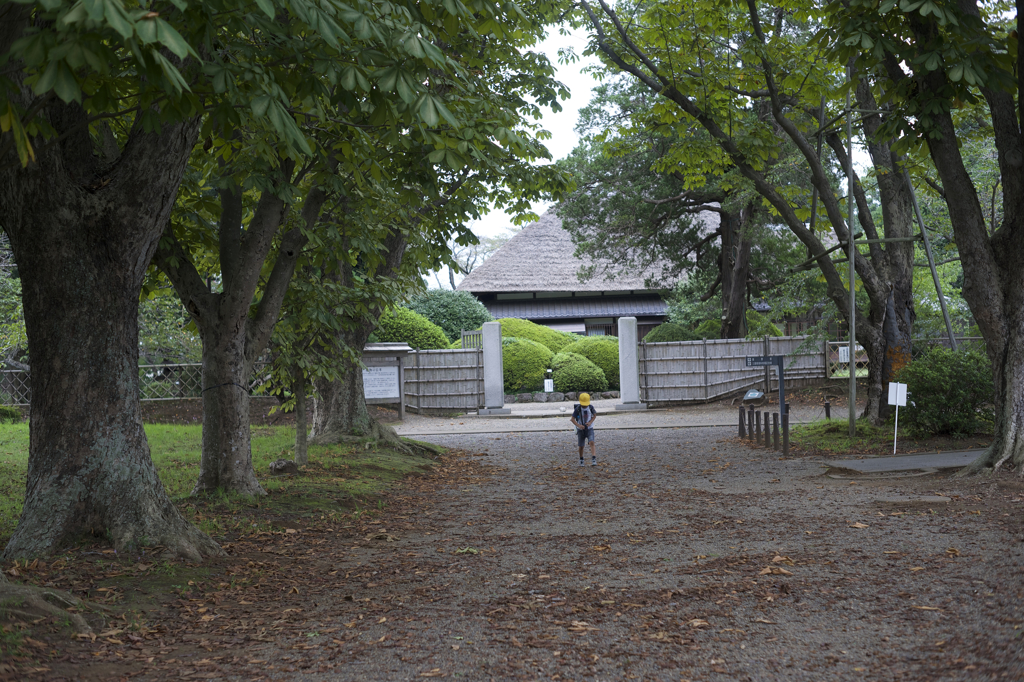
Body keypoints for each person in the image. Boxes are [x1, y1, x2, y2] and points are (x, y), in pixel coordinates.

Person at [571, 393, 597, 467]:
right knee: (581, 445)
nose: (584, 406)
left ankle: (593, 458)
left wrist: (590, 422)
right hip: (580, 430)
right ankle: (581, 459)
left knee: (592, 442)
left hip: (589, 428)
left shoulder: (591, 407)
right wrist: (579, 425)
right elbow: (572, 419)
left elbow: (594, 415)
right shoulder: (578, 408)